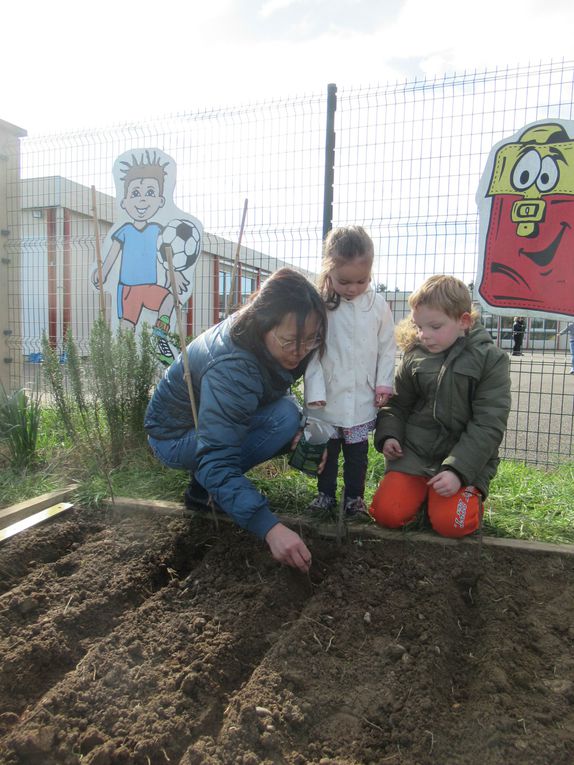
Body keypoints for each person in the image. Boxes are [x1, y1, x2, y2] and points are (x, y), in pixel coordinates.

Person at [144, 268, 327, 573]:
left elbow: (265, 392)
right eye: (290, 342)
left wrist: (299, 431)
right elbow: (216, 456)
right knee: (278, 422)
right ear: (263, 322)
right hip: (174, 438)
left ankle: (212, 488)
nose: (299, 352)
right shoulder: (232, 365)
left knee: (286, 418)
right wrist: (270, 528)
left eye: (310, 340)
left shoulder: (263, 339)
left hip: (207, 424)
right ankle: (203, 491)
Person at [369, 275, 511, 538]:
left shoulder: (491, 360)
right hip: (414, 455)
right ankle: (421, 495)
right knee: (387, 514)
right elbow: (397, 405)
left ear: (463, 321)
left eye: (434, 327)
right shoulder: (415, 356)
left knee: (454, 525)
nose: (424, 335)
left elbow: (488, 424)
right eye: (419, 326)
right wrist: (389, 434)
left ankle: (457, 497)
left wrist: (458, 471)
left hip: (464, 461)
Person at [304, 226, 396, 517]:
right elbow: (311, 351)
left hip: (361, 395)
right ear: (328, 270)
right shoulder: (319, 304)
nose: (353, 288)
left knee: (357, 453)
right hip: (327, 396)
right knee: (327, 451)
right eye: (344, 281)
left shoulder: (378, 306)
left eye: (362, 280)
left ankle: (354, 498)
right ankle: (325, 494)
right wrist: (315, 391)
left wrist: (383, 384)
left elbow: (387, 347)